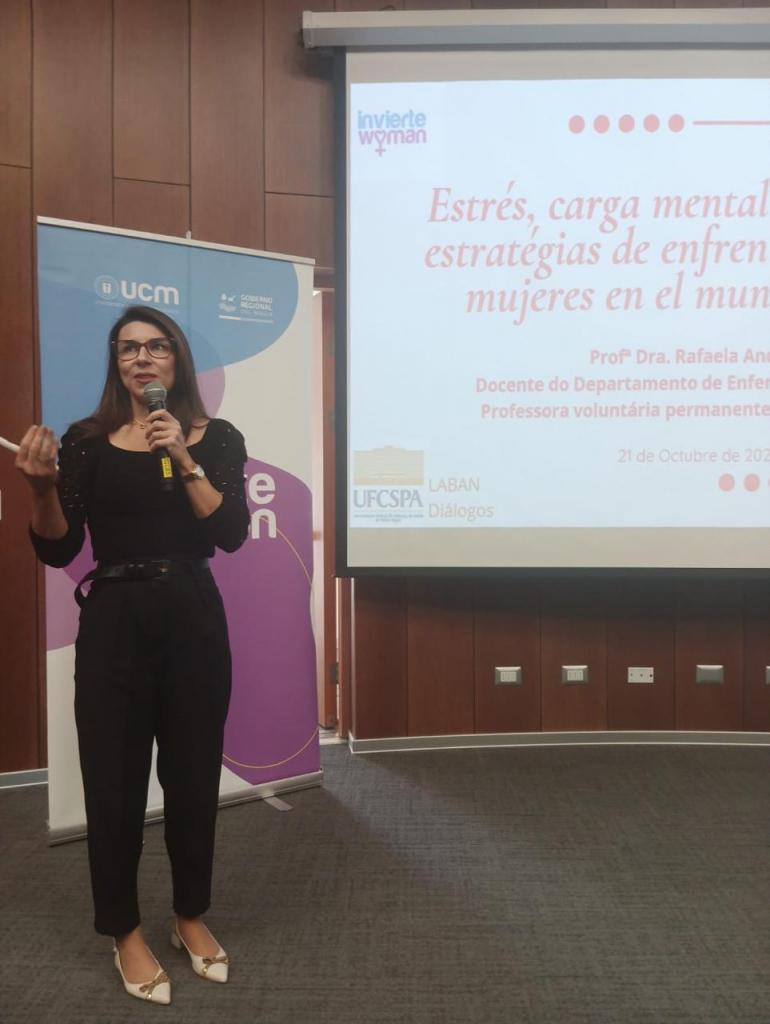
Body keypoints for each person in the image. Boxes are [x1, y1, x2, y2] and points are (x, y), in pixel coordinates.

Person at [16, 305, 249, 1004]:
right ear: (116, 364)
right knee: (113, 784)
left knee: (192, 776)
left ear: (177, 359)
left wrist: (183, 456)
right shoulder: (86, 442)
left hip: (193, 616)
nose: (141, 358)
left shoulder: (216, 437)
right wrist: (42, 489)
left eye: (155, 347)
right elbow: (59, 546)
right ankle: (124, 931)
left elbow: (231, 532)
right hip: (114, 618)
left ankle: (190, 915)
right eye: (127, 349)